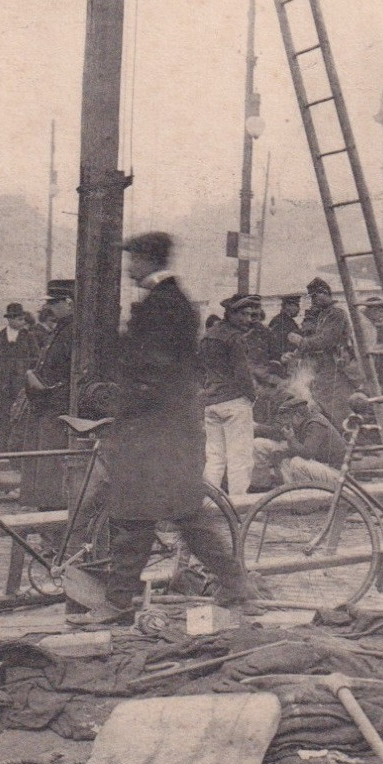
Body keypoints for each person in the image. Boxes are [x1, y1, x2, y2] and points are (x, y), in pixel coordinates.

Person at [72, 231, 261, 626]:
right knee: (167, 516)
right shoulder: (168, 302)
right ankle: (234, 589)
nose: (127, 268)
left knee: (155, 516)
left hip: (158, 430)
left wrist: (122, 406)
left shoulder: (165, 305)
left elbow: (156, 372)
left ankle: (123, 602)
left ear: (146, 260)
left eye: (132, 260)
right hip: (165, 431)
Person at [18, 280, 75, 508]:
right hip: (46, 406)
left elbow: (68, 371)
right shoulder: (61, 328)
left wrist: (44, 387)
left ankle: (52, 518)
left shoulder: (71, 331)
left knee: (51, 467)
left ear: (69, 302)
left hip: (56, 407)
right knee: (43, 465)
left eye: (54, 303)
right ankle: (46, 515)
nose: (49, 308)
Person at [199, 293, 260, 498]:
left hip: (211, 403)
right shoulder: (235, 339)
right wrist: (252, 397)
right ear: (231, 314)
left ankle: (210, 504)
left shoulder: (207, 336)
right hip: (234, 402)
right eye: (243, 314)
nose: (248, 319)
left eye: (251, 314)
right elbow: (242, 374)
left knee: (214, 457)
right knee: (239, 457)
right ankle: (239, 507)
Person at [290, 277, 357, 424]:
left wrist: (301, 342)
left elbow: (326, 340)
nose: (313, 300)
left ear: (325, 293)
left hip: (336, 367)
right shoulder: (322, 314)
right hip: (324, 368)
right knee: (323, 405)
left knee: (338, 409)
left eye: (315, 296)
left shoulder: (336, 314)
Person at [0, 303, 41, 451]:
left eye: (23, 319)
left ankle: (16, 453)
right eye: (18, 319)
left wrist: (26, 375)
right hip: (3, 386)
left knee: (20, 417)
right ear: (10, 319)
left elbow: (35, 359)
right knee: (3, 417)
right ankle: (2, 450)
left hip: (21, 386)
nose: (22, 322)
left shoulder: (29, 337)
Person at [265, 294, 302, 365]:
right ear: (288, 306)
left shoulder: (286, 320)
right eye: (296, 305)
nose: (298, 309)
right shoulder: (280, 321)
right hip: (283, 360)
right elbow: (275, 343)